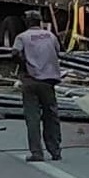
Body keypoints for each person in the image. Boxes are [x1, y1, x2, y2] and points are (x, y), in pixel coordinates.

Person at [14, 14, 64, 162]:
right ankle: (55, 151)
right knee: (51, 116)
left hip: (30, 80)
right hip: (48, 80)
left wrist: (25, 66)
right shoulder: (50, 36)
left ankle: (37, 152)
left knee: (32, 118)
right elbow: (57, 52)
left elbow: (15, 53)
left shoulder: (22, 37)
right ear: (40, 22)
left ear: (27, 22)